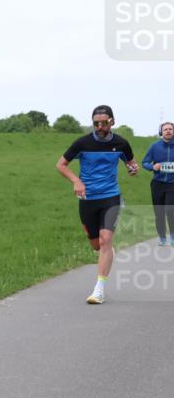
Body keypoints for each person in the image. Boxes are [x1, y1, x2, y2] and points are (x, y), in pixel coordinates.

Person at [55, 105, 139, 304]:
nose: (100, 126)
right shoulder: (82, 143)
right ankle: (107, 252)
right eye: (96, 123)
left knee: (104, 240)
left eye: (104, 122)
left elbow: (131, 164)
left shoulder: (121, 143)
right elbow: (60, 165)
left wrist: (133, 169)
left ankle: (99, 289)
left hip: (111, 197)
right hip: (87, 199)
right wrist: (76, 181)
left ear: (112, 121)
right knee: (96, 244)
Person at [141, 121, 174, 245]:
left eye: (170, 129)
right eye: (165, 129)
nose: (168, 131)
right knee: (159, 212)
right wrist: (152, 167)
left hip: (172, 184)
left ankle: (173, 236)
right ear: (161, 132)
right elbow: (144, 162)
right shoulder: (154, 146)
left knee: (171, 210)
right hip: (158, 184)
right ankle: (162, 237)